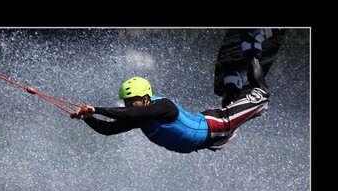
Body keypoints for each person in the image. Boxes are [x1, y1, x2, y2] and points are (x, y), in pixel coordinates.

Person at [70, 29, 272, 153]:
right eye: (126, 101)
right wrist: (87, 118)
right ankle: (232, 80)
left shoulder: (162, 107)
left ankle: (252, 42)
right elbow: (108, 129)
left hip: (217, 125)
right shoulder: (139, 117)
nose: (129, 104)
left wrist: (95, 109)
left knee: (261, 96)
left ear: (146, 98)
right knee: (229, 111)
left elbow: (134, 112)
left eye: (133, 100)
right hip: (209, 139)